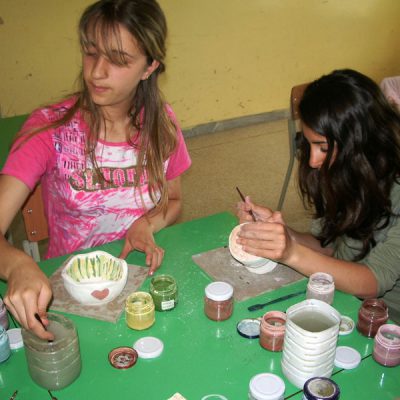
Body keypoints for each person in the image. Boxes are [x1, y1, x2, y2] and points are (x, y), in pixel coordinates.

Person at [0, 0, 191, 340]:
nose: (97, 72)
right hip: (73, 293)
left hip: (143, 277)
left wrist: (145, 224)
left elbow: (174, 199)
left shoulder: (162, 123)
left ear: (149, 67)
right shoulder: (49, 131)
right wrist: (16, 265)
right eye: (90, 53)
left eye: (118, 60)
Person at [236, 69, 400, 324]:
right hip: (344, 294)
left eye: (323, 147)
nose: (313, 161)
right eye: (309, 144)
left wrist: (291, 254)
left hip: (384, 320)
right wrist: (284, 234)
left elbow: (373, 281)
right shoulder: (344, 168)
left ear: (359, 141)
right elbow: (329, 244)